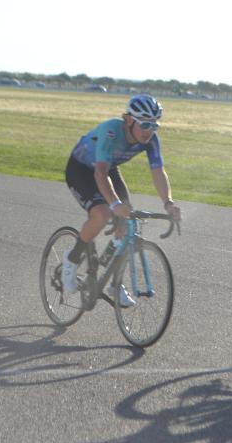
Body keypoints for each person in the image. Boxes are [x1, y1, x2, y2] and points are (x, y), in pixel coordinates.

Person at [62, 94, 181, 306]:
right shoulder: (112, 131)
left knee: (126, 223)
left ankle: (114, 284)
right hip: (82, 169)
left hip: (109, 168)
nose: (149, 130)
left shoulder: (151, 139)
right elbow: (99, 173)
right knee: (102, 213)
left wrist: (168, 203)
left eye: (154, 125)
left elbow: (157, 171)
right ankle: (70, 262)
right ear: (128, 120)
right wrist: (115, 204)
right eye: (144, 124)